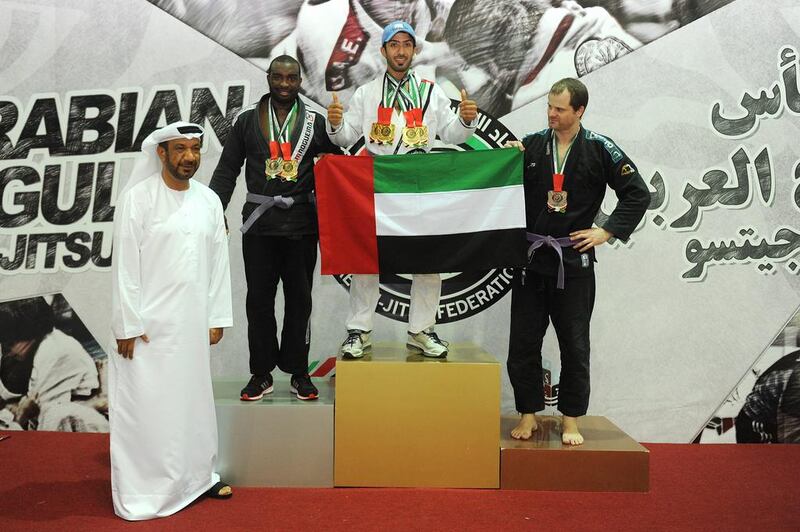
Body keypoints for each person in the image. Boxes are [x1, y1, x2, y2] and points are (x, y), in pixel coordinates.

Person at [505, 78, 648, 445]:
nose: (551, 114)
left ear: (579, 110)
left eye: (560, 109)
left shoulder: (601, 149)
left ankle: (570, 420)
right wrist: (505, 159)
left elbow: (638, 194)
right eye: (549, 107)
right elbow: (501, 188)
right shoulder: (532, 145)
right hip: (532, 261)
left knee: (574, 345)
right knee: (523, 345)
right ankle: (528, 414)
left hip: (574, 263)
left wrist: (607, 232)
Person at [326, 20, 477, 358]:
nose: (400, 51)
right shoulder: (366, 93)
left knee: (426, 260)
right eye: (394, 45)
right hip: (376, 182)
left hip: (418, 184)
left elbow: (452, 134)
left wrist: (467, 119)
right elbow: (345, 138)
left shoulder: (429, 91)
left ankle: (422, 330)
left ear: (413, 51)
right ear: (383, 51)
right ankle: (358, 331)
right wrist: (335, 122)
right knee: (366, 259)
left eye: (407, 45)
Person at [110, 121, 233, 520]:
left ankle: (197, 478)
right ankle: (146, 487)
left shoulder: (210, 200)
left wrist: (216, 316)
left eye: (195, 149)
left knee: (192, 404)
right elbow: (125, 265)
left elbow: (218, 265)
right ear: (161, 153)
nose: (189, 157)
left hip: (192, 323)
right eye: (180, 149)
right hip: (148, 328)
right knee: (148, 407)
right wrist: (126, 322)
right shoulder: (139, 199)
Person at [210, 55, 341, 402]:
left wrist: (342, 129)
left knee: (300, 302)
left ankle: (299, 372)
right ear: (267, 77)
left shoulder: (315, 121)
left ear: (300, 81)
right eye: (278, 77)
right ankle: (261, 373)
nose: (284, 84)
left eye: (292, 78)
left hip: (301, 225)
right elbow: (227, 170)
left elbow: (344, 157)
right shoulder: (247, 120)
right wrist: (211, 211)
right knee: (259, 303)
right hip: (259, 226)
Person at [443, 0, 641, 116]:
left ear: (515, 16)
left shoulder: (534, 101)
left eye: (489, 57)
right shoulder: (593, 19)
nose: (493, 73)